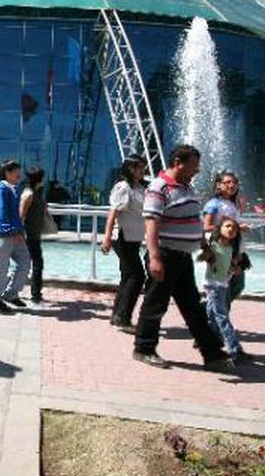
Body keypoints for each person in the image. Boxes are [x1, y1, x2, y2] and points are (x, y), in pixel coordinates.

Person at [132, 144, 232, 372]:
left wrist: (203, 246)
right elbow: (151, 224)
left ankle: (212, 352)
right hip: (166, 255)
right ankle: (143, 348)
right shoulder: (160, 187)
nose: (196, 171)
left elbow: (193, 220)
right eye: (193, 166)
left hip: (182, 257)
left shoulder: (186, 187)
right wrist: (155, 257)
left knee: (192, 307)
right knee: (155, 303)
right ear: (178, 162)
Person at [101, 156, 147, 333]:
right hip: (122, 237)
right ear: (129, 168)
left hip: (133, 238)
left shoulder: (140, 188)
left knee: (128, 276)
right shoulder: (123, 187)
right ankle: (123, 317)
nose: (141, 170)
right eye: (138, 167)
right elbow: (112, 214)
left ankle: (118, 315)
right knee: (137, 276)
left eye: (142, 167)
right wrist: (106, 238)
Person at [198, 217, 249, 363]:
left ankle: (206, 341)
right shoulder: (212, 245)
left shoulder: (231, 248)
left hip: (222, 286)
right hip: (214, 286)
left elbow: (227, 266)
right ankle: (235, 349)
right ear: (219, 229)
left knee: (211, 317)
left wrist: (234, 268)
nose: (231, 229)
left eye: (234, 227)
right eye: (227, 226)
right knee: (222, 317)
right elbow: (199, 234)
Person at [202, 171, 250, 307]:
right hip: (221, 249)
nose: (232, 185)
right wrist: (236, 228)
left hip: (235, 249)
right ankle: (217, 317)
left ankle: (212, 311)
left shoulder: (232, 204)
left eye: (234, 182)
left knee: (237, 284)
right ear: (219, 185)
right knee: (224, 286)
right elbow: (206, 226)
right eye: (227, 182)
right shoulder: (213, 204)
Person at [0, 160, 29, 313]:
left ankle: (11, 293)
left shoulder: (14, 189)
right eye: (17, 171)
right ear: (7, 173)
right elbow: (1, 213)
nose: (19, 174)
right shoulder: (1, 189)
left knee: (25, 263)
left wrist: (19, 231)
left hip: (16, 234)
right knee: (1, 269)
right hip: (5, 235)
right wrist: (13, 230)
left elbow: (15, 214)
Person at [20, 165, 48, 304]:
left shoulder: (36, 192)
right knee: (36, 264)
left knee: (31, 264)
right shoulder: (29, 194)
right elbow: (21, 215)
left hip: (34, 234)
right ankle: (35, 295)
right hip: (29, 235)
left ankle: (34, 293)